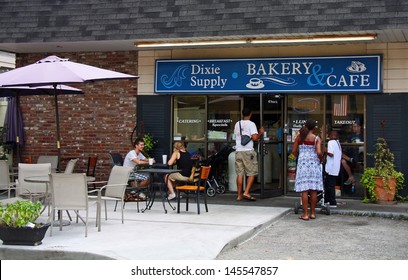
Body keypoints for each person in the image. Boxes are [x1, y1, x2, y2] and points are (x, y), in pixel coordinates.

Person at [292, 119, 324, 220]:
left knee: (304, 190)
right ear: (314, 128)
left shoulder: (299, 137)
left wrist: (300, 156)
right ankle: (313, 213)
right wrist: (321, 159)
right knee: (313, 190)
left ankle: (305, 214)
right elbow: (319, 152)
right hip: (314, 164)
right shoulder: (316, 138)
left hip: (302, 165)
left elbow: (293, 151)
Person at [234, 107, 264, 201]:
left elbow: (236, 136)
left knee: (240, 173)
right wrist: (260, 133)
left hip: (238, 150)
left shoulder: (237, 124)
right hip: (248, 151)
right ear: (250, 114)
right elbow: (255, 138)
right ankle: (246, 192)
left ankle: (239, 195)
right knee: (251, 173)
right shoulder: (251, 124)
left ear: (242, 114)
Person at [324, 130, 342, 207]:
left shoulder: (330, 142)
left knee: (329, 185)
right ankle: (327, 201)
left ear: (330, 135)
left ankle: (332, 202)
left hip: (330, 167)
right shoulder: (338, 143)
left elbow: (331, 154)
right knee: (331, 184)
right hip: (336, 167)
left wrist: (325, 150)